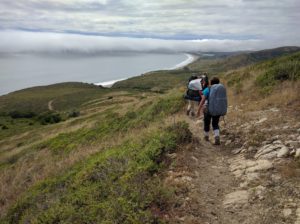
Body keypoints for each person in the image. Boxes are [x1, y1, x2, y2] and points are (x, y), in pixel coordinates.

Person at [197, 77, 221, 145]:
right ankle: (217, 137)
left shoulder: (208, 89)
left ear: (211, 83)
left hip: (208, 109)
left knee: (207, 123)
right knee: (215, 124)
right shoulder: (220, 89)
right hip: (217, 109)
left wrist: (198, 110)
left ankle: (206, 136)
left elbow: (202, 100)